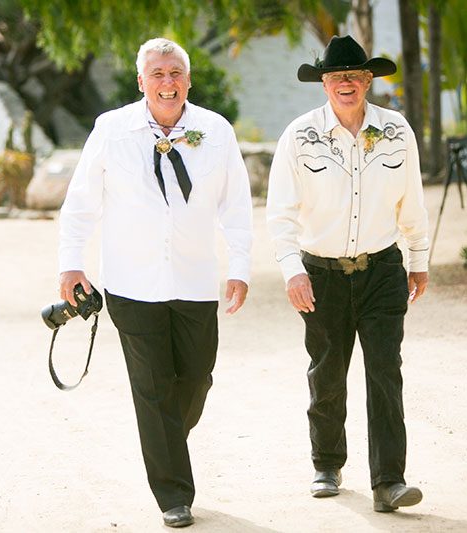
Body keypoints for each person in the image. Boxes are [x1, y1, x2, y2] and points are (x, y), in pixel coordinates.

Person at [58, 37, 252, 528]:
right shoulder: (111, 129)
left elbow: (237, 205)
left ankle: (162, 438)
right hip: (131, 284)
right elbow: (82, 200)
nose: (167, 83)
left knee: (196, 379)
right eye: (157, 74)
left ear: (188, 80)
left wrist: (240, 266)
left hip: (193, 282)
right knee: (152, 388)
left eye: (175, 73)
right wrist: (71, 262)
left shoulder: (216, 130)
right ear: (141, 81)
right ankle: (174, 495)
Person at [265, 35, 429, 513]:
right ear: (323, 84)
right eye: (337, 77)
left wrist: (418, 261)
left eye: (355, 76)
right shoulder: (298, 136)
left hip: (382, 269)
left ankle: (389, 482)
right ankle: (327, 462)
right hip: (321, 274)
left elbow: (412, 202)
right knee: (328, 372)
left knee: (385, 372)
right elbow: (280, 215)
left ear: (368, 80)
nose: (346, 84)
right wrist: (293, 271)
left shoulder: (397, 130)